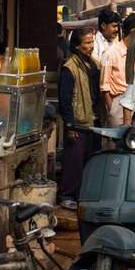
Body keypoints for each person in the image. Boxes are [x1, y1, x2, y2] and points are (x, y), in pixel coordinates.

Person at [57, 26, 106, 209]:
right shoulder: (69, 68)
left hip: (94, 119)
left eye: (92, 42)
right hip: (78, 122)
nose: (91, 46)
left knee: (90, 161)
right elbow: (65, 100)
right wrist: (70, 126)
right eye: (87, 43)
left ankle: (83, 195)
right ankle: (67, 195)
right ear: (77, 46)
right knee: (74, 162)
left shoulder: (93, 63)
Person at [100, 13, 135, 116]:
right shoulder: (110, 53)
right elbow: (105, 87)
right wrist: (112, 109)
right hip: (119, 103)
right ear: (133, 31)